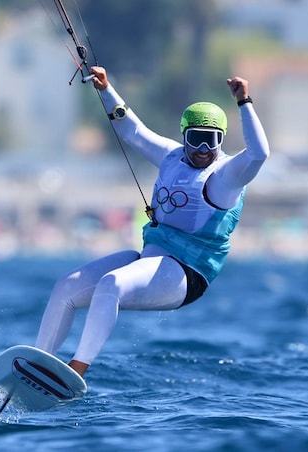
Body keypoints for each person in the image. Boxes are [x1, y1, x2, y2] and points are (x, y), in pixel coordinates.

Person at [34, 65, 270, 377]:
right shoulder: (172, 156)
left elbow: (259, 154)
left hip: (186, 275)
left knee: (111, 284)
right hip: (151, 259)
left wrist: (244, 102)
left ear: (221, 140)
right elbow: (132, 131)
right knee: (67, 287)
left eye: (211, 141)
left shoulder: (227, 176)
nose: (203, 149)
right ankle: (36, 365)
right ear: (184, 136)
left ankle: (76, 369)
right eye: (196, 139)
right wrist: (106, 89)